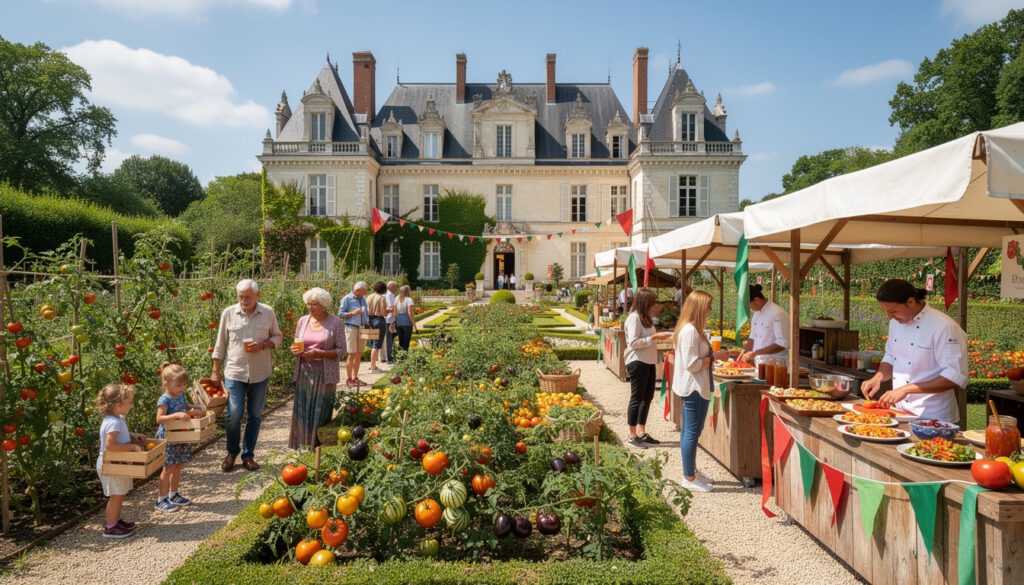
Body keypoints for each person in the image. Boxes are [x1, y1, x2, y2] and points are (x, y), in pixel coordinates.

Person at [861, 279, 968, 422]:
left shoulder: (944, 327)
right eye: (886, 312)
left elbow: (954, 376)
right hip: (900, 412)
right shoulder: (895, 323)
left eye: (893, 311)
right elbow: (891, 357)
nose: (890, 317)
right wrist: (878, 377)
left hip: (934, 417)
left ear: (910, 302)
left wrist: (906, 389)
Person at [212, 279, 283, 473]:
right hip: (235, 371)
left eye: (248, 297)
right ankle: (231, 452)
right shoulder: (229, 313)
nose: (244, 301)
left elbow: (277, 336)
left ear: (257, 295)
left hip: (260, 372)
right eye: (240, 297)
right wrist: (215, 370)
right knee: (234, 414)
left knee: (254, 415)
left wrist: (264, 345)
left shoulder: (267, 312)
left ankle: (248, 455)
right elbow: (220, 344)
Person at [673, 290, 729, 492]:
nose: (710, 310)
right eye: (708, 306)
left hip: (694, 386)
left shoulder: (691, 329)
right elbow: (692, 364)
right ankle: (688, 477)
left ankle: (692, 471)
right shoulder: (690, 331)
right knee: (691, 433)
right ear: (698, 308)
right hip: (694, 387)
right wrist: (715, 357)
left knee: (690, 431)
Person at [289, 287, 347, 449]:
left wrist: (319, 353)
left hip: (324, 374)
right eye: (308, 304)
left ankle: (318, 448)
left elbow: (342, 350)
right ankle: (302, 446)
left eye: (314, 304)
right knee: (302, 410)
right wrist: (294, 350)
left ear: (324, 305)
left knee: (320, 411)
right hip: (304, 373)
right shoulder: (303, 321)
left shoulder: (335, 323)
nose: (310, 307)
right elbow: (297, 343)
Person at [623, 288, 673, 449]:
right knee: (637, 398)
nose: (654, 305)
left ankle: (641, 432)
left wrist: (657, 336)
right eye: (652, 302)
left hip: (648, 361)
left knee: (647, 397)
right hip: (637, 361)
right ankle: (632, 435)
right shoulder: (634, 318)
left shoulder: (645, 318)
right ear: (645, 302)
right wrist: (654, 337)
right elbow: (634, 343)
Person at [95, 384, 146, 538]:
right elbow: (110, 445)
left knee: (119, 493)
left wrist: (133, 435)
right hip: (111, 465)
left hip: (117, 463)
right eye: (129, 402)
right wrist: (132, 447)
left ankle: (116, 521)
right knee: (115, 495)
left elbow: (120, 435)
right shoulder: (114, 422)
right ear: (118, 405)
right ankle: (110, 527)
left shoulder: (117, 419)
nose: (131, 405)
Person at [154, 363, 205, 512]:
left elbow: (187, 407)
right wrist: (176, 415)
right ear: (166, 384)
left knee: (177, 465)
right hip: (169, 437)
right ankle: (161, 499)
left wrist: (197, 407)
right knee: (168, 467)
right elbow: (159, 418)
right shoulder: (165, 399)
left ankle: (173, 494)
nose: (182, 388)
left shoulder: (180, 395)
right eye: (178, 385)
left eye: (184, 385)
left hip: (180, 435)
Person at [738, 284, 790, 367]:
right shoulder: (756, 313)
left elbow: (782, 344)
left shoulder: (777, 313)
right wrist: (744, 351)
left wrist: (755, 353)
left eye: (748, 306)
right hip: (760, 365)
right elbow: (752, 337)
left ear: (757, 300)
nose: (749, 309)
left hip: (777, 365)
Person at [339, 281, 369, 386]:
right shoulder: (347, 299)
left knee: (359, 353)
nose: (365, 293)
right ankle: (349, 379)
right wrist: (352, 313)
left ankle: (355, 378)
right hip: (351, 328)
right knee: (351, 354)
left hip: (362, 328)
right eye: (364, 291)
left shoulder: (363, 299)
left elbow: (365, 313)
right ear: (357, 290)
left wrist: (367, 322)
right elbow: (340, 314)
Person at [365, 280, 389, 374]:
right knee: (377, 344)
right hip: (379, 320)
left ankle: (372, 365)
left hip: (370, 320)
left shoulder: (369, 296)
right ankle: (373, 367)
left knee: (372, 344)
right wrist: (389, 311)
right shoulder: (381, 298)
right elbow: (383, 313)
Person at [393, 285, 418, 355]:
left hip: (399, 322)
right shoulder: (409, 300)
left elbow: (395, 313)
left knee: (401, 342)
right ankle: (404, 358)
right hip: (407, 322)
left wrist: (394, 322)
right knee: (406, 342)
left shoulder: (396, 299)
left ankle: (400, 357)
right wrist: (415, 326)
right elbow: (410, 313)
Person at [383, 280, 399, 365]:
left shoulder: (386, 294)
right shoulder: (390, 295)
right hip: (389, 319)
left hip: (387, 319)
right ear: (391, 287)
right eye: (395, 287)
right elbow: (391, 307)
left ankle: (389, 357)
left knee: (389, 339)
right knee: (390, 340)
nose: (396, 288)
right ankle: (390, 359)